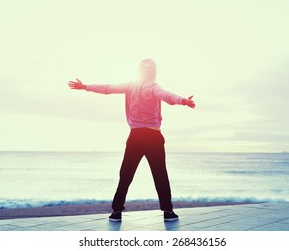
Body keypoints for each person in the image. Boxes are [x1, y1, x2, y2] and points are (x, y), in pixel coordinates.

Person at [68, 58, 195, 222]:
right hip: (153, 137)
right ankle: (168, 212)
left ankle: (116, 212)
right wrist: (183, 101)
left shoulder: (130, 85)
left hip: (135, 136)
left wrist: (85, 87)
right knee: (160, 175)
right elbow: (166, 96)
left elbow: (107, 88)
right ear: (154, 71)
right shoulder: (153, 86)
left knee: (126, 175)